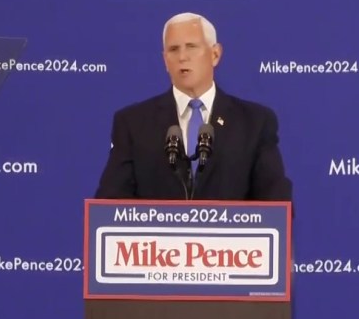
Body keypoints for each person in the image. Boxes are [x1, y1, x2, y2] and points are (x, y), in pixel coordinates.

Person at [94, 12, 291, 202]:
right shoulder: (133, 123)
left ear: (215, 54)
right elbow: (110, 202)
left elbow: (276, 204)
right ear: (165, 60)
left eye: (191, 47)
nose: (182, 57)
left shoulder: (255, 122)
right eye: (173, 49)